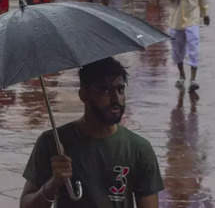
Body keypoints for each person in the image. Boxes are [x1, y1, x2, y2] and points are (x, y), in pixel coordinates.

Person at [21, 58, 164, 207]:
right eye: (105, 90)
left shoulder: (139, 149)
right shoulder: (53, 143)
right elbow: (26, 204)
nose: (116, 99)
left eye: (120, 89)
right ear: (83, 94)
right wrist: (53, 184)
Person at [164, 0, 209, 92]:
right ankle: (182, 74)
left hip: (192, 16)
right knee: (177, 48)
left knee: (194, 45)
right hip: (176, 18)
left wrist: (205, 13)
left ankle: (193, 78)